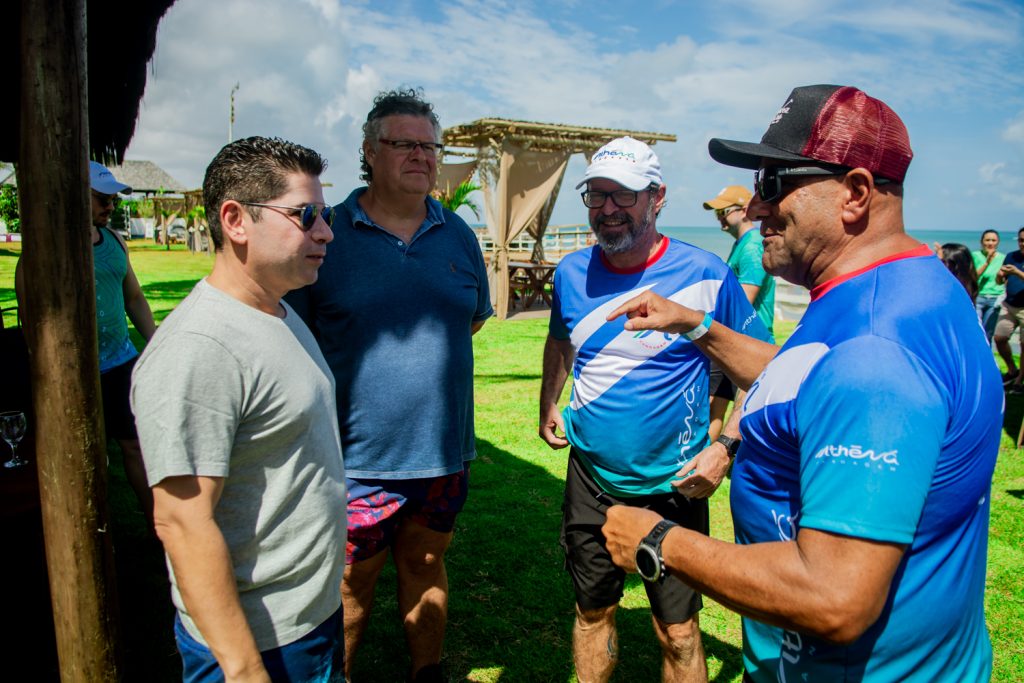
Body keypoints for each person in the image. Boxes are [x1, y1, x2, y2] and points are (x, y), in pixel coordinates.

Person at [601, 84, 1001, 682]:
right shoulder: (899, 286)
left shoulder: (872, 355)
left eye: (773, 184)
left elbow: (834, 598)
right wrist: (698, 327)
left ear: (856, 194)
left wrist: (658, 540)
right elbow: (807, 385)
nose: (756, 208)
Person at [539, 136, 770, 682]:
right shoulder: (571, 273)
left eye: (624, 196)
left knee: (680, 632)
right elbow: (560, 339)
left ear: (657, 197)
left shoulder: (708, 274)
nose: (608, 209)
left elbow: (762, 372)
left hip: (676, 485)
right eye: (597, 196)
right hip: (590, 479)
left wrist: (725, 448)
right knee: (592, 613)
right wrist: (548, 397)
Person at [285, 89, 492, 683]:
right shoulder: (329, 235)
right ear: (370, 153)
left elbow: (470, 319)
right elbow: (294, 334)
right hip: (355, 458)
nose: (422, 156)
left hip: (444, 453)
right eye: (405, 144)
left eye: (431, 146)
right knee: (353, 580)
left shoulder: (458, 235)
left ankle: (427, 672)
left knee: (427, 562)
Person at [131, 136, 346, 682]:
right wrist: (245, 668)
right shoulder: (199, 348)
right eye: (306, 214)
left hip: (307, 620)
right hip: (257, 645)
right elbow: (181, 520)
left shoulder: (275, 309)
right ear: (235, 220)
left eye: (325, 214)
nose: (325, 230)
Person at [16, 161, 157, 522]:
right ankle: (89, 529)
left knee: (135, 445)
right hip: (69, 372)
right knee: (82, 454)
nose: (110, 206)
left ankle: (159, 531)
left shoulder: (115, 241)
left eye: (112, 199)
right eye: (101, 198)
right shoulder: (44, 249)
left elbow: (134, 299)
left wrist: (156, 343)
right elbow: (29, 315)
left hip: (120, 363)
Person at [702, 184, 776, 440]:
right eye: (717, 213)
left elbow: (744, 300)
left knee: (745, 411)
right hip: (730, 336)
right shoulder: (742, 244)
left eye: (724, 211)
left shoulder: (753, 246)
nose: (720, 217)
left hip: (749, 340)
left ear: (745, 210)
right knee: (714, 405)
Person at [994, 226, 1024, 386]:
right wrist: (999, 276)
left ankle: (1019, 381)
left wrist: (1018, 273)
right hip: (1009, 304)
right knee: (999, 338)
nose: (1022, 243)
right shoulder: (1012, 257)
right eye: (1020, 240)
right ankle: (1012, 370)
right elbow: (1000, 282)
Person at [973, 229, 1004, 344]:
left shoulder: (1003, 258)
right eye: (987, 240)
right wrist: (987, 262)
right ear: (982, 242)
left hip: (995, 298)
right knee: (977, 330)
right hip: (978, 297)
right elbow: (973, 277)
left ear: (998, 242)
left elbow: (1002, 280)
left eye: (993, 240)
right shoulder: (975, 255)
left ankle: (986, 359)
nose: (990, 243)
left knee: (988, 333)